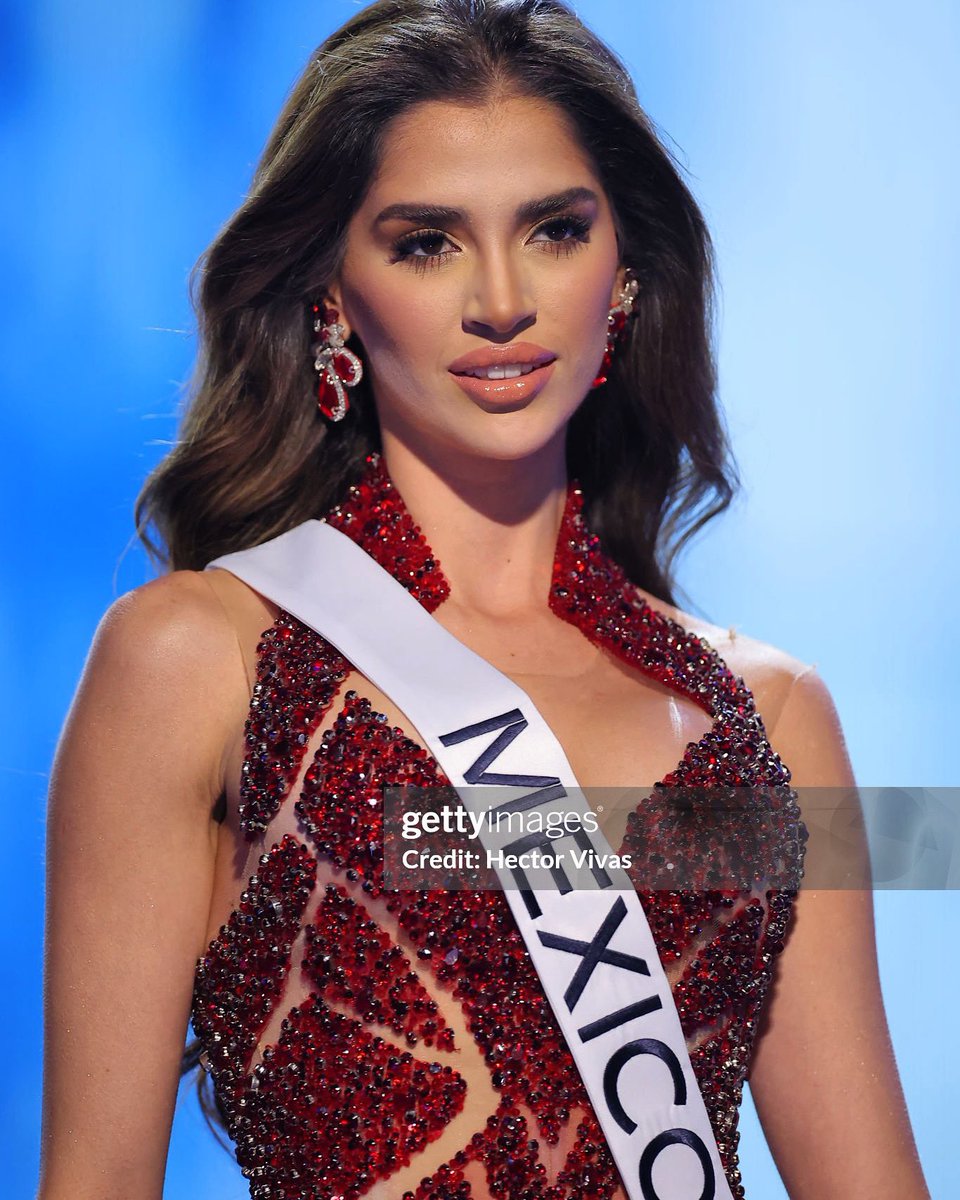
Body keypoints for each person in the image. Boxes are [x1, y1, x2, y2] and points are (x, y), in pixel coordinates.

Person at [38, 2, 929, 1198]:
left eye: (555, 230)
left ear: (624, 275)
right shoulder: (198, 661)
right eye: (426, 243)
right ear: (332, 296)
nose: (502, 298)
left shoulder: (765, 721)